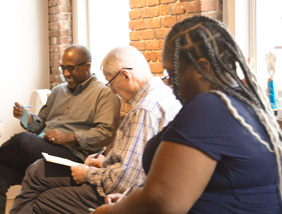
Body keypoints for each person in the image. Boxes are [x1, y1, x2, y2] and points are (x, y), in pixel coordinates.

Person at [93, 15, 282, 214]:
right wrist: (129, 199)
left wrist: (106, 212)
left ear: (202, 68)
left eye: (172, 74)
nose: (170, 85)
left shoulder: (210, 107)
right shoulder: (243, 105)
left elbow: (158, 202)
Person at [9, 45, 181, 214]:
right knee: (30, 169)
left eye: (111, 83)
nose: (112, 89)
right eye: (63, 68)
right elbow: (133, 163)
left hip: (111, 184)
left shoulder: (141, 110)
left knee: (42, 197)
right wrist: (104, 163)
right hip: (105, 171)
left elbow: (123, 180)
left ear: (126, 75)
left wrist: (87, 173)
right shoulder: (164, 96)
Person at [0, 44, 121, 213]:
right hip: (44, 149)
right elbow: (39, 125)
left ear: (87, 66)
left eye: (70, 68)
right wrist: (26, 117)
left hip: (73, 156)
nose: (65, 73)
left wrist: (69, 137)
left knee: (23, 140)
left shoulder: (104, 94)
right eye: (63, 68)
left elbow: (105, 134)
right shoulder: (57, 91)